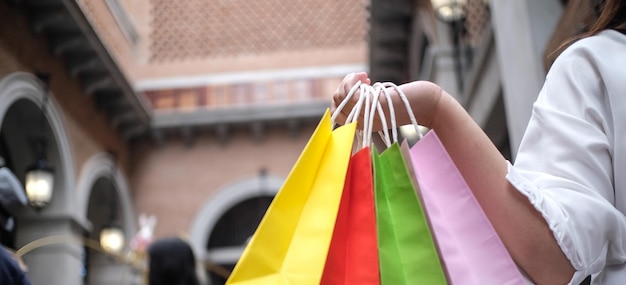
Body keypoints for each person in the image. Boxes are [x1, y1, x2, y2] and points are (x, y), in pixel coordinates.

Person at [331, 1, 626, 284]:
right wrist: (433, 107)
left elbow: (554, 262)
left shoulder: (597, 64)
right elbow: (554, 260)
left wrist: (435, 108)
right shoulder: (598, 65)